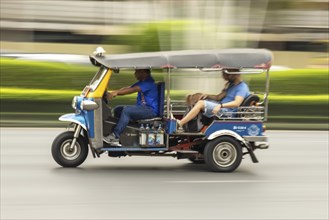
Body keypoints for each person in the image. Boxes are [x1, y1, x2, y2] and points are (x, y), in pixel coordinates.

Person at [177, 69, 250, 130]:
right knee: (195, 98)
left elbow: (237, 103)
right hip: (221, 107)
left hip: (227, 112)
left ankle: (180, 123)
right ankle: (189, 126)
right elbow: (218, 97)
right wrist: (206, 95)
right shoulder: (231, 85)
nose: (225, 76)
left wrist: (221, 105)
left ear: (235, 74)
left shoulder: (242, 87)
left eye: (227, 73)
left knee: (201, 103)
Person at [103, 69, 158, 144]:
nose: (134, 74)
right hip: (143, 108)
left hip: (149, 110)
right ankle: (123, 133)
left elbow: (133, 90)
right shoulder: (142, 82)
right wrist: (113, 92)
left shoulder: (148, 82)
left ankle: (115, 136)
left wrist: (117, 93)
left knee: (127, 110)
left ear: (143, 72)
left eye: (136, 72)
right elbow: (128, 88)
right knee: (118, 109)